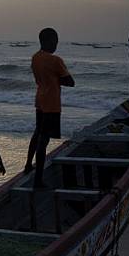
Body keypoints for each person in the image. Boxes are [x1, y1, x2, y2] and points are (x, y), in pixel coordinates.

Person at [24, 27, 74, 188]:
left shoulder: (35, 58)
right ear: (47, 41)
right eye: (55, 41)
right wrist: (57, 79)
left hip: (40, 99)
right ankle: (38, 180)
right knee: (43, 140)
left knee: (37, 133)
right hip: (52, 103)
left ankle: (27, 165)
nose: (56, 45)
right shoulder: (55, 60)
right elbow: (70, 82)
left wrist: (53, 78)